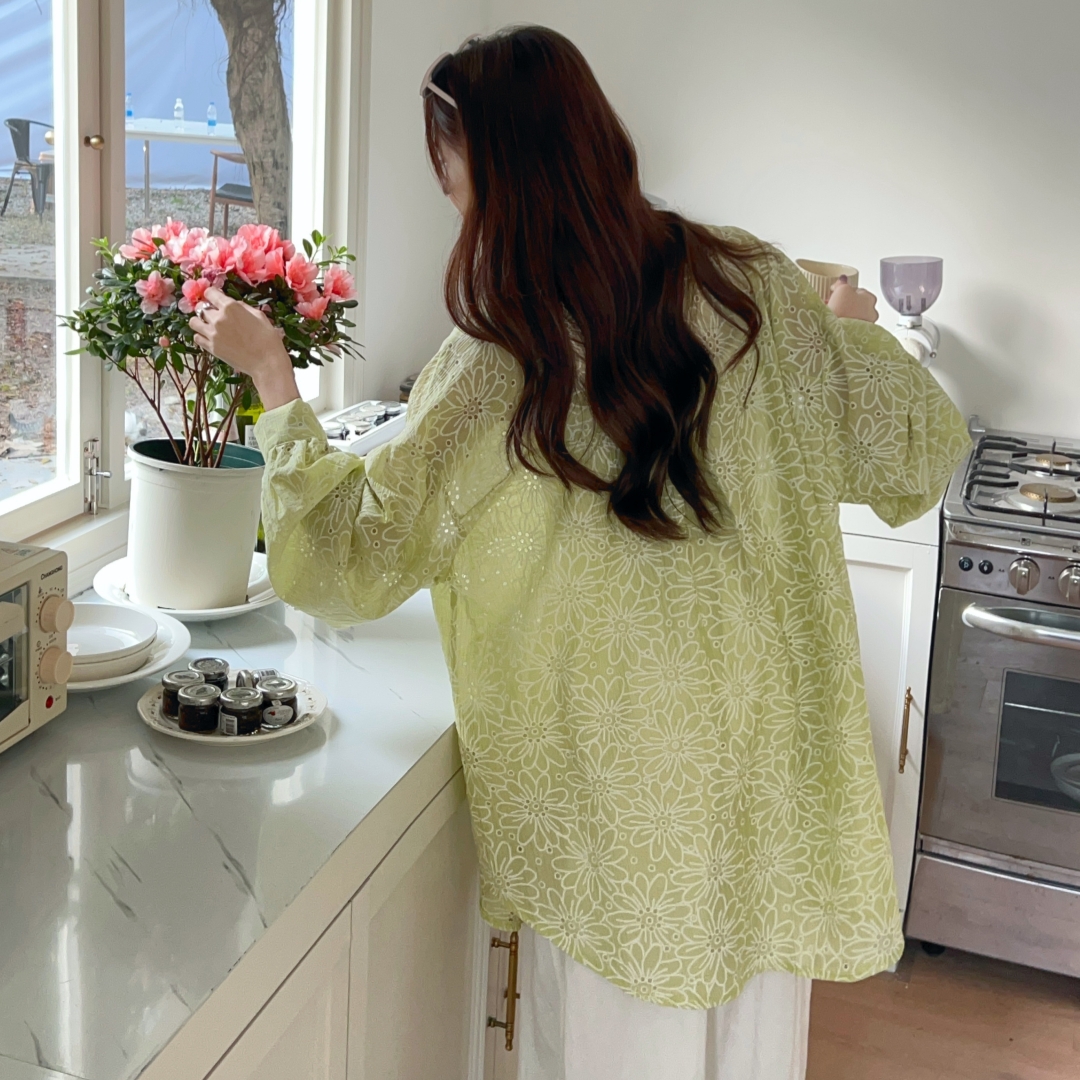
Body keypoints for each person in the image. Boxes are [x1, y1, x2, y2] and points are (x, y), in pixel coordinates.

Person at [190, 26, 971, 1080]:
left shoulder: (502, 351)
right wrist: (849, 332)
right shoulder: (753, 283)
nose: (448, 195)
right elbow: (916, 443)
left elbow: (351, 556)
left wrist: (274, 380)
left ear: (497, 171)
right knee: (746, 1049)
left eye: (450, 171)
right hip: (761, 778)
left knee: (618, 1047)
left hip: (619, 807)